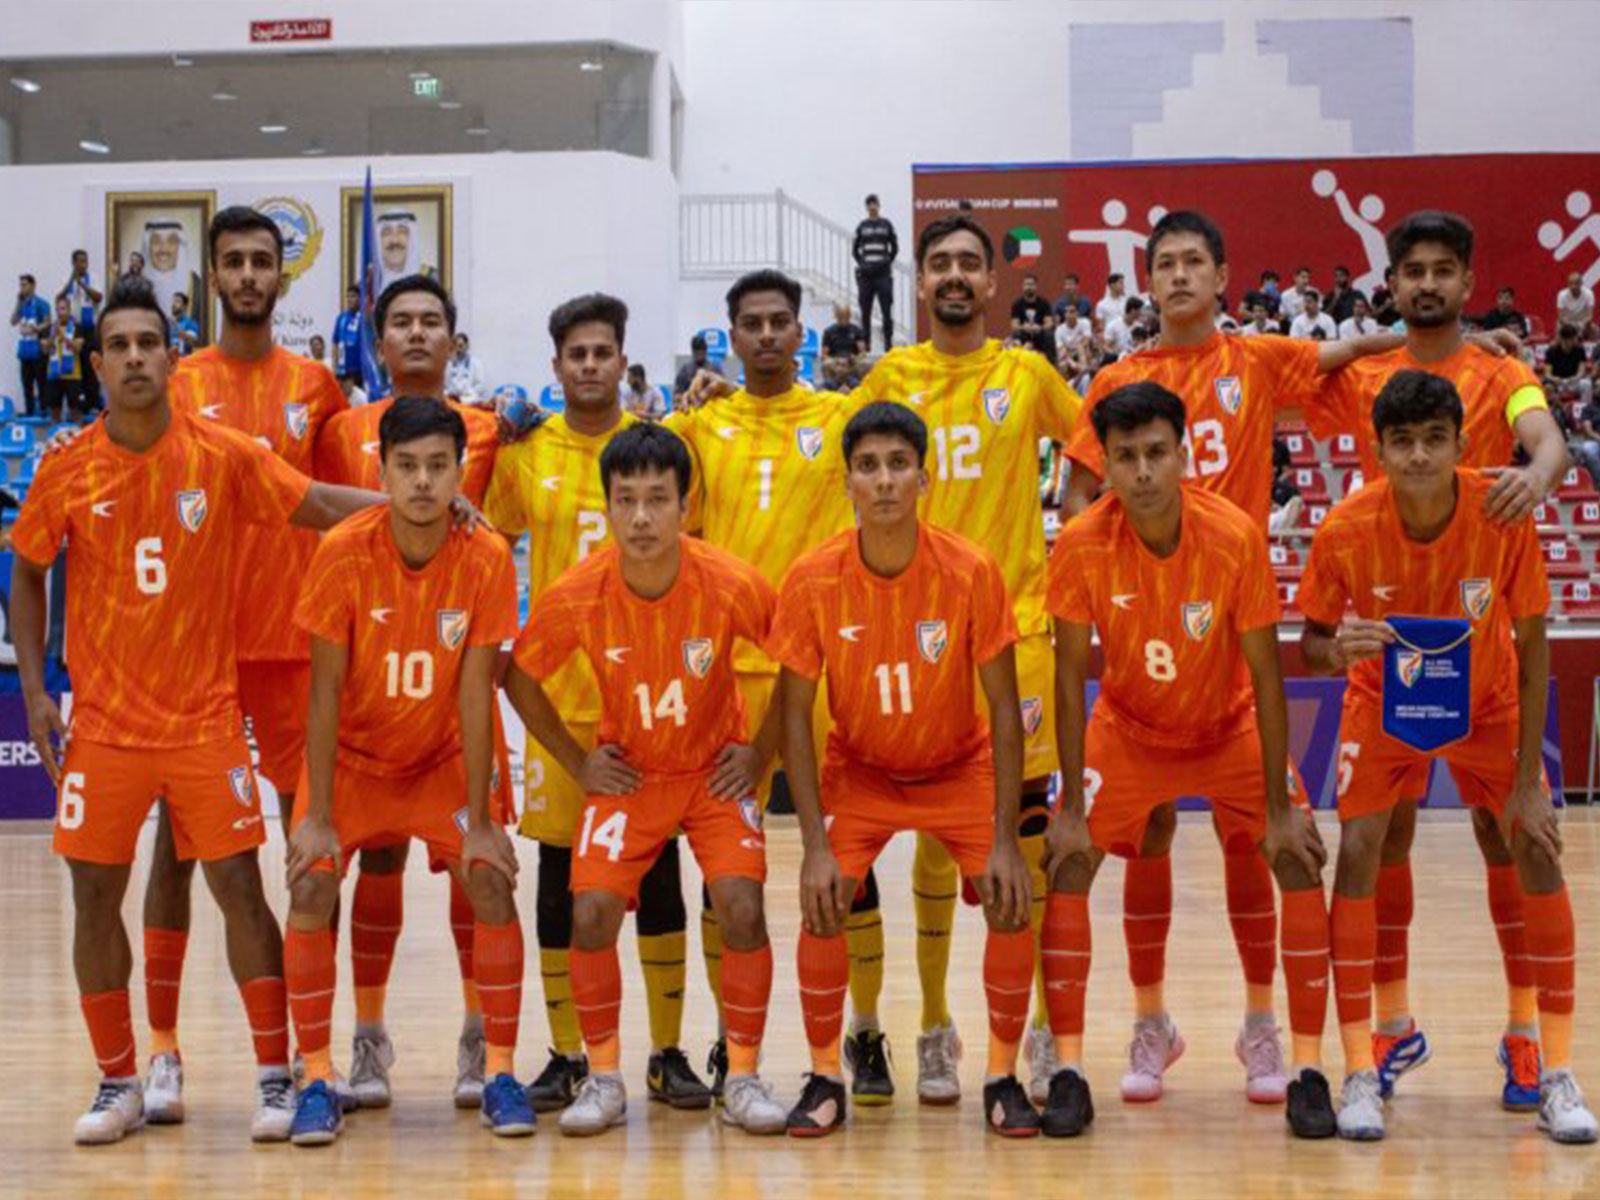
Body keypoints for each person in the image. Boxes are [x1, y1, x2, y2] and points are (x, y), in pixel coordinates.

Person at [8, 276, 390, 1145]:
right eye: (120, 345)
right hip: (102, 726)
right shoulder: (66, 465)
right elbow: (27, 571)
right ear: (96, 361)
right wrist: (36, 691)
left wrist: (418, 508)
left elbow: (322, 505)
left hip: (205, 721)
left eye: (151, 343)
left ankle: (270, 1075)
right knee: (93, 894)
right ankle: (117, 1080)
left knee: (238, 890)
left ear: (173, 359)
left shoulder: (220, 453)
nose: (137, 357)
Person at [1060, 209, 1412, 1103]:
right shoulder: (1119, 378)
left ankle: (1265, 1027)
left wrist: (1426, 332)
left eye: (1193, 262)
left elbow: (1342, 360)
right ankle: (1151, 1023)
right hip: (1146, 636)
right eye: (1163, 264)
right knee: (1143, 838)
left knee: (1253, 844)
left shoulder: (1255, 358)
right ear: (1147, 281)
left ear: (1222, 276)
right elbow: (1075, 490)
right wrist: (1103, 551)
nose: (1178, 276)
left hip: (1231, 622)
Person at [1306, 211, 1572, 1111]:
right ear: (1392, 284)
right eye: (1411, 272)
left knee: (1512, 834)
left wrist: (1537, 476)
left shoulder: (1503, 372)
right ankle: (1387, 1029)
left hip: (1477, 639)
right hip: (1387, 632)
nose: (1427, 285)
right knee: (1380, 843)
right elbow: (1290, 367)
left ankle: (1530, 1037)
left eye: (1444, 272)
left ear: (1468, 281)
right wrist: (1390, 338)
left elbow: (1545, 441)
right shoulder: (1371, 374)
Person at [1043, 381, 1335, 1139]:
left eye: (1155, 454)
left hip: (1226, 723)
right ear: (1102, 464)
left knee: (1297, 855)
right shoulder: (1078, 543)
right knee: (1068, 863)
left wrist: (1278, 803)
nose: (1141, 471)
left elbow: (1268, 675)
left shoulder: (1234, 534)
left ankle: (1291, 1054)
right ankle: (1084, 1061)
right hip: (1130, 729)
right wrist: (1070, 806)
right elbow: (1070, 679)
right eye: (1125, 457)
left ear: (1184, 455)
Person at [853, 214, 1083, 1106]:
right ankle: (935, 1025)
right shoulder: (890, 377)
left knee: (1019, 846)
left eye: (968, 265)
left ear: (993, 284)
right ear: (920, 285)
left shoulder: (1026, 374)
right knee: (934, 847)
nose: (953, 276)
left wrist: (1076, 534)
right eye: (939, 263)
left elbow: (1095, 445)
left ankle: (1028, 1029)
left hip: (1017, 636)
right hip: (915, 640)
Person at [505, 422, 788, 1137]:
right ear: (605, 507)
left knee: (741, 906)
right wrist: (578, 763)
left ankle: (745, 1074)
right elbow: (518, 676)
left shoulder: (726, 580)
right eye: (625, 499)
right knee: (592, 911)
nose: (640, 516)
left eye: (657, 499)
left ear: (684, 506)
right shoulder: (580, 591)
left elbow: (798, 655)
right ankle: (604, 1079)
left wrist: (760, 755)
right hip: (628, 778)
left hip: (713, 774)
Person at [136, 206, 350, 1122]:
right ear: (212, 278)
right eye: (235, 262)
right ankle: (163, 1054)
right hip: (203, 659)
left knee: (313, 864)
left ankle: (314, 1061)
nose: (250, 275)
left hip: (301, 655)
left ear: (282, 276)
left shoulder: (319, 383)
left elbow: (339, 503)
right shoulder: (176, 382)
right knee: (178, 858)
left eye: (264, 261)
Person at [772, 400, 1036, 1137]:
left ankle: (1002, 1076)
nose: (884, 480)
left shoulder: (971, 569)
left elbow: (1006, 710)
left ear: (925, 477)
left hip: (959, 767)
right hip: (861, 774)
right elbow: (794, 712)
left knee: (1013, 897)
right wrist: (813, 845)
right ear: (847, 482)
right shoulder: (813, 577)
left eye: (897, 465)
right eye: (868, 466)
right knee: (824, 899)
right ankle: (827, 1075)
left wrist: (1007, 836)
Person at [283, 396, 530, 1145]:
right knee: (311, 882)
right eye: (407, 467)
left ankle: (499, 1070)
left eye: (438, 467)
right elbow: (322, 689)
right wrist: (318, 815)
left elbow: (478, 690)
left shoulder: (485, 555)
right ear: (380, 471)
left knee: (489, 877)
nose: (423, 482)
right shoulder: (343, 550)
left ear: (462, 472)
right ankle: (319, 1077)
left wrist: (483, 822)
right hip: (354, 761)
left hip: (440, 760)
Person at [668, 269, 889, 1102]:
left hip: (827, 676)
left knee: (850, 864)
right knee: (728, 881)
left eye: (779, 322)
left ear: (802, 332)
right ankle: (735, 1042)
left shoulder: (837, 423)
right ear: (729, 335)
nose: (766, 335)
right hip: (725, 680)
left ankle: (865, 1035)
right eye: (750, 323)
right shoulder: (698, 430)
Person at [484, 294, 707, 1113]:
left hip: (651, 704)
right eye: (574, 353)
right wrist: (490, 424)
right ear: (556, 367)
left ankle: (668, 1052)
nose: (588, 365)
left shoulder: (663, 449)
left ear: (622, 360)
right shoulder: (526, 452)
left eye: (601, 352)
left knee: (656, 878)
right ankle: (568, 1052)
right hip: (559, 706)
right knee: (556, 884)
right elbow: (480, 532)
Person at [853, 194, 898, 352]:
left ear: (879, 206)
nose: (872, 207)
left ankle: (888, 343)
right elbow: (855, 250)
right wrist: (862, 264)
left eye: (875, 204)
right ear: (866, 207)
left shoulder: (886, 224)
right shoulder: (862, 226)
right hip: (866, 276)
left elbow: (894, 247)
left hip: (883, 275)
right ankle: (866, 344)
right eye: (869, 204)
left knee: (886, 310)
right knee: (865, 311)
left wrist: (886, 262)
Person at [57, 249, 102, 404]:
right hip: (73, 328)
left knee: (91, 365)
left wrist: (82, 283)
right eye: (80, 261)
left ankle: (93, 402)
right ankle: (78, 403)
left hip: (90, 328)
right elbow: (59, 299)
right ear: (73, 263)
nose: (83, 264)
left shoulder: (93, 278)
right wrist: (71, 280)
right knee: (77, 367)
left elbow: (98, 298)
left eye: (85, 261)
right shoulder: (66, 279)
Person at [11, 273, 52, 416]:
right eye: (20, 285)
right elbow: (13, 321)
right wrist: (18, 302)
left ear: (33, 285)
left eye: (24, 284)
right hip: (25, 350)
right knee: (26, 384)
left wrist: (36, 328)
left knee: (41, 382)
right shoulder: (22, 304)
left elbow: (48, 322)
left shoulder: (42, 303)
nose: (22, 288)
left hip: (39, 349)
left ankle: (43, 410)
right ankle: (29, 412)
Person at [43, 296, 83, 421]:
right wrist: (52, 336)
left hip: (73, 375)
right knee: (55, 412)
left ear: (69, 309)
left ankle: (78, 438)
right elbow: (44, 351)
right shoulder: (50, 328)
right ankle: (55, 437)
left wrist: (63, 336)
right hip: (54, 376)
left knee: (75, 412)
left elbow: (78, 348)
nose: (60, 312)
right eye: (58, 309)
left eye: (63, 309)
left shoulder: (77, 327)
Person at [821, 302, 867, 390]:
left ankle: (861, 388)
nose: (843, 319)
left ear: (849, 316)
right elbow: (824, 355)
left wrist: (854, 358)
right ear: (836, 316)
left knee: (865, 363)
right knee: (826, 364)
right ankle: (830, 387)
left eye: (846, 316)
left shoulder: (856, 330)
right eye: (841, 316)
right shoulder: (829, 332)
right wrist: (837, 360)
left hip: (852, 360)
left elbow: (862, 352)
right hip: (835, 360)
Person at [1544, 324, 1593, 404]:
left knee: (1586, 384)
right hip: (1558, 383)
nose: (1577, 339)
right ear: (1566, 340)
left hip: (1573, 381)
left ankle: (1584, 408)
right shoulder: (1551, 351)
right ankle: (1553, 411)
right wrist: (1555, 379)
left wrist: (1574, 378)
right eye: (1574, 338)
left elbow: (1581, 371)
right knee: (1548, 387)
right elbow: (1547, 374)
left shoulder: (1580, 350)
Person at [1010, 274, 1056, 358]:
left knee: (1049, 335)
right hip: (1024, 334)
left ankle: (1050, 364)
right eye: (1026, 284)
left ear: (1036, 286)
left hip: (1040, 334)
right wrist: (1024, 327)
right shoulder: (1017, 304)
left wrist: (1039, 327)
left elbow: (1049, 323)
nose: (1029, 287)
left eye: (1031, 284)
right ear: (1023, 287)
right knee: (1015, 334)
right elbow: (1014, 326)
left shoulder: (1044, 303)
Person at [673, 334, 722, 402]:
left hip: (711, 404)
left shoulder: (715, 369)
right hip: (691, 405)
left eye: (702, 352)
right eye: (697, 352)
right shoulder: (685, 371)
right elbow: (677, 395)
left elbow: (722, 389)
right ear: (693, 352)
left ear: (706, 351)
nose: (699, 355)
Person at [333, 285, 363, 384]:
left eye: (353, 296)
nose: (350, 300)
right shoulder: (341, 318)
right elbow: (335, 343)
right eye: (348, 297)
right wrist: (335, 367)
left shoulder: (365, 318)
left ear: (360, 298)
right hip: (343, 369)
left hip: (361, 369)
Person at [446, 332, 486, 402]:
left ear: (467, 346)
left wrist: (468, 392)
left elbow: (480, 386)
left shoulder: (476, 363)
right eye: (456, 346)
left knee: (474, 398)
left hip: (467, 398)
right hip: (452, 397)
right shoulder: (449, 363)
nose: (458, 349)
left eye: (461, 345)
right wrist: (450, 392)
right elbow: (445, 385)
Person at [1555, 272, 1594, 338]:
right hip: (1566, 323)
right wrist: (1571, 325)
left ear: (1581, 284)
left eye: (1576, 283)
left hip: (1582, 323)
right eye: (1571, 284)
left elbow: (1590, 316)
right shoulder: (1562, 294)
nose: (1573, 286)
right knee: (1559, 327)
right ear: (1568, 284)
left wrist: (1580, 324)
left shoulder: (1588, 294)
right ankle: (1558, 346)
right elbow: (1560, 317)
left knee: (1595, 330)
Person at [168, 292, 200, 357]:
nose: (173, 304)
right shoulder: (168, 323)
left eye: (177, 301)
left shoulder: (190, 323)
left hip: (183, 362)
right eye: (173, 301)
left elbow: (193, 341)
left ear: (184, 306)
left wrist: (176, 326)